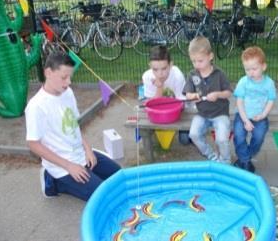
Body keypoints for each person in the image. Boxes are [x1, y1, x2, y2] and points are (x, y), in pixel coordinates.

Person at [25, 52, 121, 201]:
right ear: (48, 73)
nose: (69, 82)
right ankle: (54, 181)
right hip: (62, 166)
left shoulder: (67, 92)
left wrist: (88, 149)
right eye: (64, 77)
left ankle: (81, 173)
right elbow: (33, 144)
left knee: (119, 176)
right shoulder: (36, 106)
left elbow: (74, 126)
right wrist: (69, 166)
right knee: (104, 196)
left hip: (80, 154)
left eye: (70, 76)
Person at [183, 36, 232, 163]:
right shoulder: (192, 75)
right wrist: (193, 96)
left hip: (220, 113)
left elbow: (228, 93)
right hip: (202, 114)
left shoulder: (219, 74)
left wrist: (217, 94)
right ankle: (210, 155)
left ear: (210, 56)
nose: (196, 65)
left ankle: (225, 161)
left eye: (200, 61)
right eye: (193, 61)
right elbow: (188, 94)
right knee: (193, 134)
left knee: (221, 139)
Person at [233, 46, 276, 173]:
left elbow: (271, 100)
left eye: (254, 69)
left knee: (259, 136)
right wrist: (245, 120)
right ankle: (246, 162)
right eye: (247, 69)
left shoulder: (269, 83)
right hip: (243, 116)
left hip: (259, 117)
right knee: (239, 136)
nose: (251, 72)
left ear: (263, 67)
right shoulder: (243, 82)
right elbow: (239, 102)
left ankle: (243, 158)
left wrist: (263, 115)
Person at [142, 45, 191, 145]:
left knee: (185, 140)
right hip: (159, 111)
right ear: (150, 66)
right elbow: (151, 105)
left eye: (164, 68)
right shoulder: (147, 76)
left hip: (178, 110)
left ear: (171, 65)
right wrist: (159, 87)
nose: (160, 74)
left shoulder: (177, 76)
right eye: (155, 69)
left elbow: (182, 104)